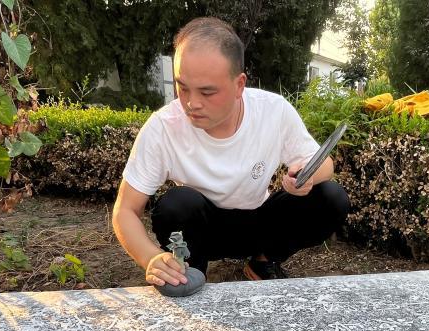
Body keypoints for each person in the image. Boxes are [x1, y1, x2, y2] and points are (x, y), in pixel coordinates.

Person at [112, 17, 350, 288]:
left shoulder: (272, 111)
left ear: (239, 85)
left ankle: (263, 261)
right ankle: (189, 272)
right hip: (202, 228)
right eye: (183, 87)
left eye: (207, 92)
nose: (191, 103)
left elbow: (324, 164)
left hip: (259, 223)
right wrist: (151, 258)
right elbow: (125, 210)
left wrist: (304, 176)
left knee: (332, 197)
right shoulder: (163, 126)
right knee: (176, 204)